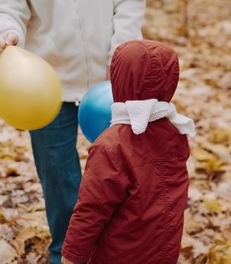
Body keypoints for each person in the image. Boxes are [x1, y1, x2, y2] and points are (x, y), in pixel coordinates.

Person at [0, 1, 145, 263]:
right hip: (44, 83)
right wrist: (5, 29)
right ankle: (67, 252)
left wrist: (123, 52)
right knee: (59, 177)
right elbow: (3, 5)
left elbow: (128, 5)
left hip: (112, 81)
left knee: (119, 174)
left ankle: (116, 248)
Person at [62, 40, 196, 264]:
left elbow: (91, 211)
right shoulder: (176, 133)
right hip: (162, 253)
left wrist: (71, 257)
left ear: (119, 79)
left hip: (117, 255)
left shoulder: (111, 145)